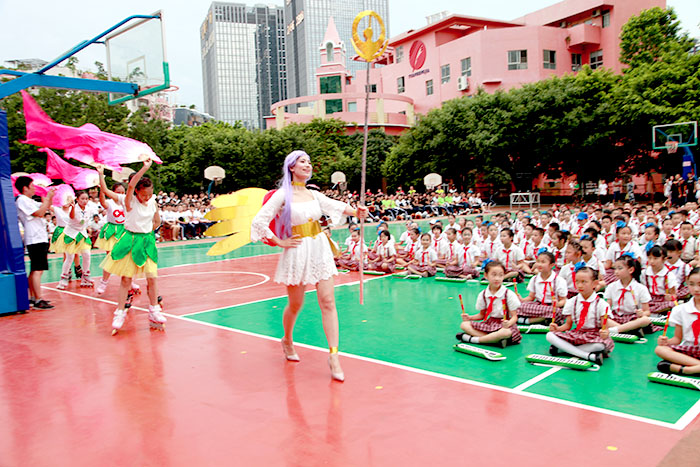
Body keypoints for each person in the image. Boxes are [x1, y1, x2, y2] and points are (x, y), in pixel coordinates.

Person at [250, 150, 367, 382]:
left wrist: (357, 211)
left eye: (309, 162)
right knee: (296, 304)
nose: (308, 165)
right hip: (297, 250)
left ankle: (334, 356)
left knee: (328, 301)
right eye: (302, 161)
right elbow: (259, 221)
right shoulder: (282, 195)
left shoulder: (314, 194)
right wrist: (280, 241)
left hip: (319, 248)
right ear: (291, 167)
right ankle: (287, 339)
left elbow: (336, 206)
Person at [100, 160, 166, 334]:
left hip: (147, 241)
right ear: (137, 191)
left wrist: (147, 233)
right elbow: (130, 186)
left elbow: (157, 221)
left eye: (150, 194)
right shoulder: (129, 201)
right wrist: (145, 167)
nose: (147, 197)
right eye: (144, 195)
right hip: (130, 240)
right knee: (126, 279)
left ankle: (154, 310)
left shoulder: (152, 202)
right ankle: (119, 312)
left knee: (152, 278)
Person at [546, 267, 613, 366]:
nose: (579, 285)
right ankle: (587, 355)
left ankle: (563, 349)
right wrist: (557, 328)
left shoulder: (602, 304)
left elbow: (605, 329)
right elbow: (568, 326)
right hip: (577, 334)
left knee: (600, 345)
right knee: (549, 335)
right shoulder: (572, 302)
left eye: (584, 282)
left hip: (593, 336)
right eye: (577, 282)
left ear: (594, 283)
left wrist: (605, 333)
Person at [456, 260, 521, 347]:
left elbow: (514, 317)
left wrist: (508, 324)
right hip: (490, 323)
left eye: (501, 275)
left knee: (504, 332)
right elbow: (482, 315)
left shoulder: (508, 294)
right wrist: (469, 317)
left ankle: (475, 340)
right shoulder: (483, 294)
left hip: (504, 324)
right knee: (464, 325)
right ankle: (493, 340)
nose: (497, 278)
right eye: (494, 275)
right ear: (486, 275)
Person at [14, 176, 55, 309]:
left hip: (39, 237)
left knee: (34, 270)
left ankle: (33, 297)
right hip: (35, 238)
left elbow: (46, 207)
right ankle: (38, 299)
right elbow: (40, 212)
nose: (34, 189)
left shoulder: (29, 200)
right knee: (38, 270)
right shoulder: (22, 200)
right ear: (25, 188)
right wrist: (47, 199)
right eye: (32, 186)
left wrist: (47, 195)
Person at [655, 267, 700, 375]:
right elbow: (677, 339)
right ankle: (697, 367)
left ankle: (687, 369)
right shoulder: (681, 309)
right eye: (691, 284)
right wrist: (666, 342)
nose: (696, 289)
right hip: (689, 350)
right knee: (660, 349)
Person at [604, 255, 653, 337]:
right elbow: (607, 308)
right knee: (601, 318)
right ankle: (626, 330)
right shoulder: (611, 286)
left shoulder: (640, 288)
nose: (616, 271)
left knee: (645, 320)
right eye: (615, 268)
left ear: (631, 270)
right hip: (616, 318)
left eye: (620, 268)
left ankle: (617, 330)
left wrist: (642, 313)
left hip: (633, 318)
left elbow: (647, 312)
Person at [56, 190, 94, 289]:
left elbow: (84, 222)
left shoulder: (89, 209)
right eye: (82, 199)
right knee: (70, 257)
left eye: (86, 199)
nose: (85, 201)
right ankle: (63, 279)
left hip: (82, 234)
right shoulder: (73, 208)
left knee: (87, 254)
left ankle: (86, 277)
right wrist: (72, 207)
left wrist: (87, 229)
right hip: (71, 234)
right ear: (77, 199)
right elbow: (72, 217)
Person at [518, 250, 567, 325]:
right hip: (538, 306)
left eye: (543, 262)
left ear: (552, 265)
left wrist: (557, 304)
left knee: (557, 312)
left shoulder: (558, 280)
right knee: (517, 306)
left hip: (551, 306)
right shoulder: (534, 279)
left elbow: (563, 300)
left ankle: (529, 320)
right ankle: (543, 319)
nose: (539, 264)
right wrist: (521, 300)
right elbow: (531, 297)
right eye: (538, 261)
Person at [641, 245, 678, 314]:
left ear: (664, 259)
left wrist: (670, 297)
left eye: (655, 258)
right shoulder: (644, 273)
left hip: (663, 300)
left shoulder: (668, 275)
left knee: (671, 304)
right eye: (650, 258)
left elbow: (674, 294)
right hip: (649, 299)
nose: (652, 261)